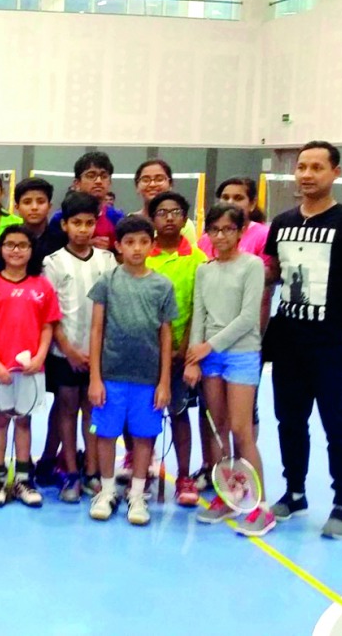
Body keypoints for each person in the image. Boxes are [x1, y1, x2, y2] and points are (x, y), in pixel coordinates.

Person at [263, 140, 342, 539]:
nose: (307, 174)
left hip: (330, 345)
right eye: (302, 167)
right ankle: (294, 492)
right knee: (289, 422)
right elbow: (272, 275)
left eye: (316, 167)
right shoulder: (282, 222)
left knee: (337, 427)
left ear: (335, 173)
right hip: (289, 341)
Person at [186, 203, 273, 536]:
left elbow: (248, 318)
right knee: (218, 430)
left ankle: (261, 506)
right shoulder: (204, 270)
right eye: (215, 229)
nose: (221, 235)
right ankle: (230, 496)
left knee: (241, 431)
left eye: (228, 229)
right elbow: (199, 314)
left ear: (240, 231)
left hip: (241, 354)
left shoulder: (252, 266)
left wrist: (209, 346)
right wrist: (196, 358)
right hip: (209, 358)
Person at [87, 215, 178, 526]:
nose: (136, 248)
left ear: (152, 245)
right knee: (106, 435)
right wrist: (95, 377)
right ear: (118, 246)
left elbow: (166, 335)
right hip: (110, 376)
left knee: (143, 437)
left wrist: (164, 381)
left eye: (143, 242)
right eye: (129, 242)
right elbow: (96, 330)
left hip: (147, 379)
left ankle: (137, 495)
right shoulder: (107, 282)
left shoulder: (162, 285)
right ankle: (108, 490)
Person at [0, 225, 61, 507]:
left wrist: (39, 358)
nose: (16, 250)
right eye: (10, 244)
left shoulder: (41, 285)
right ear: (1, 249)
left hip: (32, 369)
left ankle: (24, 479)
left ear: (31, 250)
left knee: (24, 421)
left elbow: (48, 326)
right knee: (0, 421)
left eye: (22, 245)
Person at [41, 192, 117, 503]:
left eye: (89, 223)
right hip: (65, 353)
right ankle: (70, 472)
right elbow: (51, 314)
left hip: (99, 354)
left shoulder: (108, 260)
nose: (83, 229)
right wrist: (69, 350)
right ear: (66, 225)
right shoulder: (53, 262)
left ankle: (92, 471)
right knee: (67, 410)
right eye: (76, 223)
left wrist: (97, 353)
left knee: (93, 412)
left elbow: (111, 308)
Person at [143, 191, 207, 506]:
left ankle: (184, 476)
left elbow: (199, 305)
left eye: (176, 211)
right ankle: (140, 468)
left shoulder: (197, 258)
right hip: (143, 352)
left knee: (179, 415)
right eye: (163, 212)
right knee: (140, 415)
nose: (169, 217)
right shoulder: (143, 254)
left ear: (185, 218)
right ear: (152, 219)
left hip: (182, 353)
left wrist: (184, 349)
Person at [49, 152, 123, 251]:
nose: (98, 181)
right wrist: (84, 245)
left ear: (110, 182)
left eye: (104, 176)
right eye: (91, 175)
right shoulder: (61, 217)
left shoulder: (117, 218)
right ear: (77, 183)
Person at [133, 159, 198, 245]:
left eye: (159, 179)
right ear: (137, 186)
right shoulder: (129, 221)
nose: (152, 184)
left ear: (170, 184)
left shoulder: (183, 225)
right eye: (145, 180)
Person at [14, 178, 67, 259]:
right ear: (17, 208)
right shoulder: (10, 239)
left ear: (49, 206)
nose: (34, 207)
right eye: (27, 202)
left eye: (41, 202)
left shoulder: (62, 241)